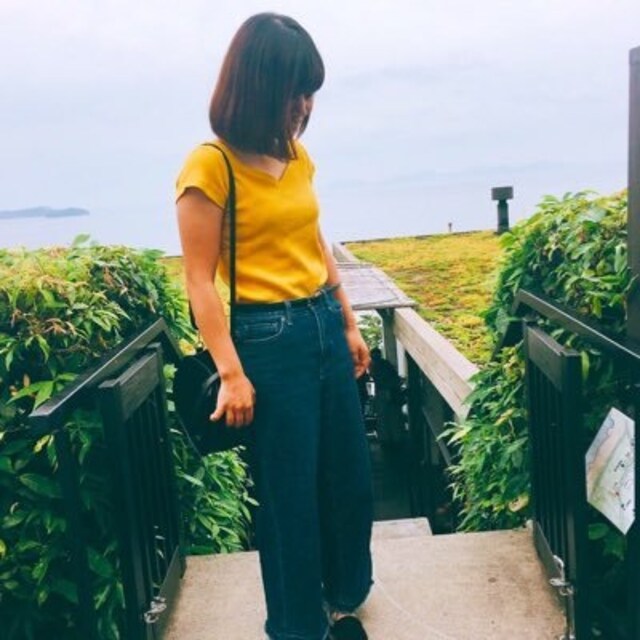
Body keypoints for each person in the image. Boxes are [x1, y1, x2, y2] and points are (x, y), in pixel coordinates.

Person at [175, 13, 374, 640]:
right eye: (295, 91)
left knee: (348, 474)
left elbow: (316, 241)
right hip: (268, 339)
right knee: (288, 492)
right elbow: (199, 280)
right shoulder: (210, 165)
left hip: (323, 322)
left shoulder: (297, 156)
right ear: (258, 86)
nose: (304, 105)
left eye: (309, 92)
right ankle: (296, 624)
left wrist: (348, 321)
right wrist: (231, 373)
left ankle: (345, 590)